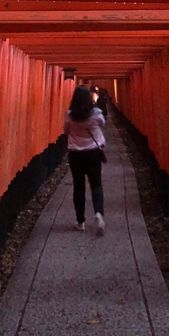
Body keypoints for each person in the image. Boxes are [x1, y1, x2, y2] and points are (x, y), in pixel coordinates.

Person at [63, 85, 106, 236]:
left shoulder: (70, 115)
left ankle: (80, 221)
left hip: (76, 154)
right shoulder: (95, 114)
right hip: (93, 153)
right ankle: (99, 214)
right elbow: (102, 123)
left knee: (79, 187)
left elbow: (66, 130)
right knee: (96, 184)